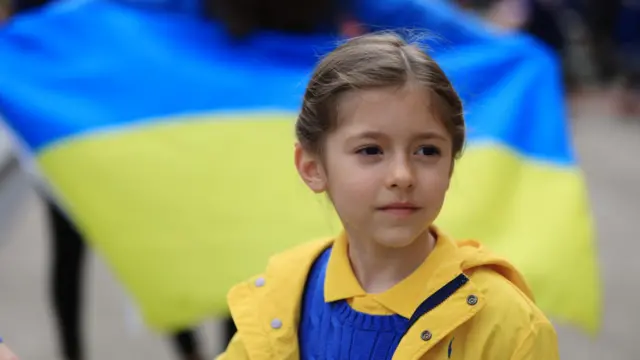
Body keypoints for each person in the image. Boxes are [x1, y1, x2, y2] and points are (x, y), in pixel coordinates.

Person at [217, 32, 560, 359]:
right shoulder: (279, 297)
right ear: (312, 167)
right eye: (370, 150)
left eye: (427, 151)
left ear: (451, 166)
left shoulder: (508, 325)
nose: (402, 176)